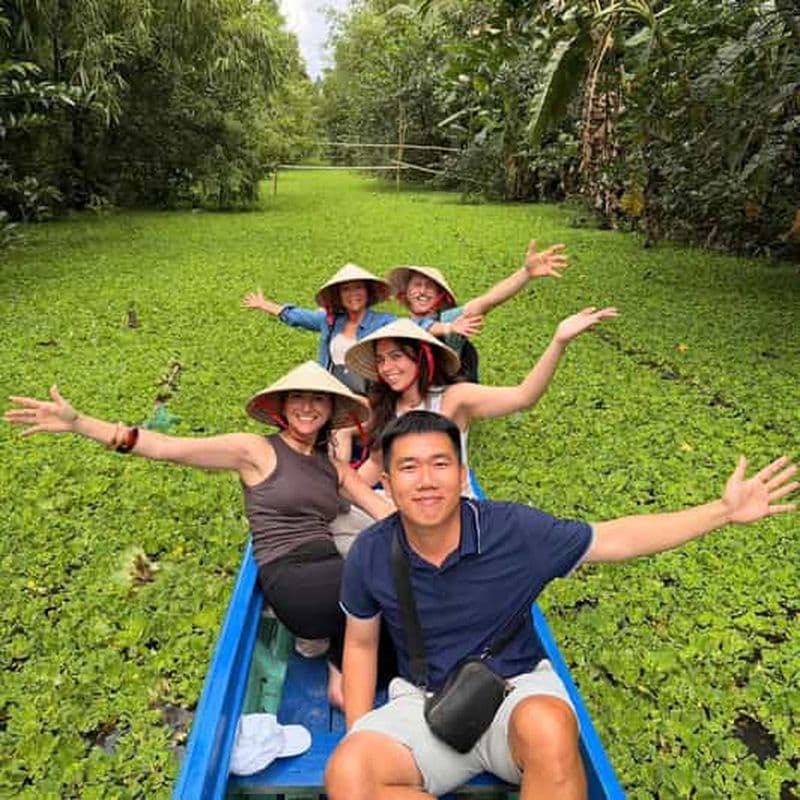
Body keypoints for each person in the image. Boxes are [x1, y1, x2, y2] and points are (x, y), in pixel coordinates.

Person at [325, 411, 798, 800]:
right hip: (427, 702)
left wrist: (722, 511)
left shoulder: (514, 532)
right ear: (386, 480)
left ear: (462, 474)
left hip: (514, 691)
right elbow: (362, 646)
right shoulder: (372, 552)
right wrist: (360, 730)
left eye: (440, 464)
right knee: (349, 773)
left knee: (550, 728)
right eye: (409, 467)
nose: (426, 481)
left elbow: (617, 537)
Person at [4, 361, 394, 708]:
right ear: (282, 406)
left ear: (330, 411)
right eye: (298, 398)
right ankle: (347, 677)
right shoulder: (254, 450)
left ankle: (339, 670)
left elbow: (383, 512)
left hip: (330, 567)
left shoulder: (333, 466)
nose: (307, 407)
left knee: (391, 606)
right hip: (291, 574)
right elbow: (166, 447)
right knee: (384, 601)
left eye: (318, 400)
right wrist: (79, 423)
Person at [344, 311, 618, 491]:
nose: (387, 367)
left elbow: (524, 397)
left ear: (421, 357)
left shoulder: (454, 398)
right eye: (380, 360)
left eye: (396, 356)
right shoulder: (384, 407)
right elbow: (374, 466)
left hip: (450, 506)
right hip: (399, 503)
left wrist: (559, 341)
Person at [386, 239, 569, 360]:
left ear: (440, 295)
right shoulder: (396, 325)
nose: (422, 291)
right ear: (406, 293)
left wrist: (525, 273)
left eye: (429, 287)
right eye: (417, 285)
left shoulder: (451, 320)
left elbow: (487, 301)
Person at [242, 263, 395, 394]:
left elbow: (411, 337)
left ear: (368, 292)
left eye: (358, 288)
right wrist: (264, 304)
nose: (353, 294)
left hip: (370, 395)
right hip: (334, 391)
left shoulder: (384, 322)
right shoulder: (331, 321)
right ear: (339, 295)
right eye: (346, 289)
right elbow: (298, 317)